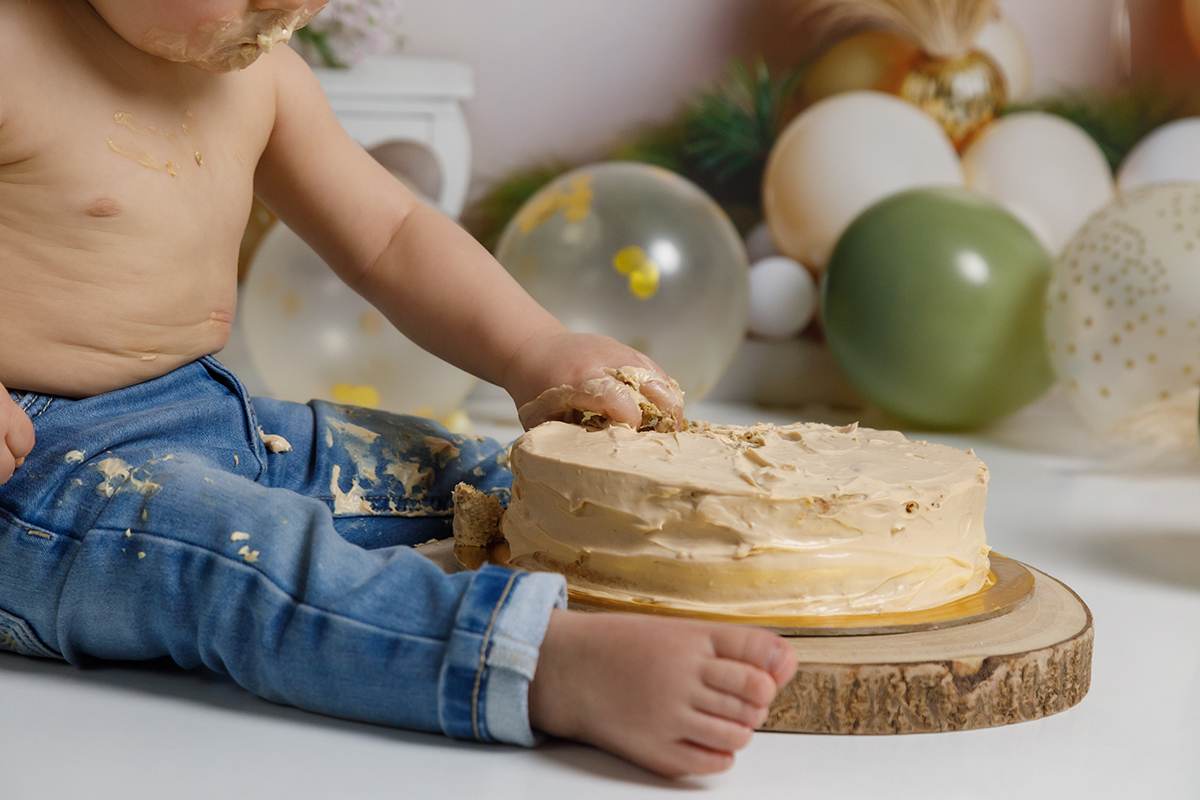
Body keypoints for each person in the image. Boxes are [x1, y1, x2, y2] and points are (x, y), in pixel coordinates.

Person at [0, 0, 799, 779]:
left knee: (461, 472)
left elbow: (390, 238)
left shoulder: (262, 78)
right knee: (251, 560)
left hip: (211, 414)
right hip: (38, 472)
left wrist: (534, 347)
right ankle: (533, 662)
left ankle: (667, 546)